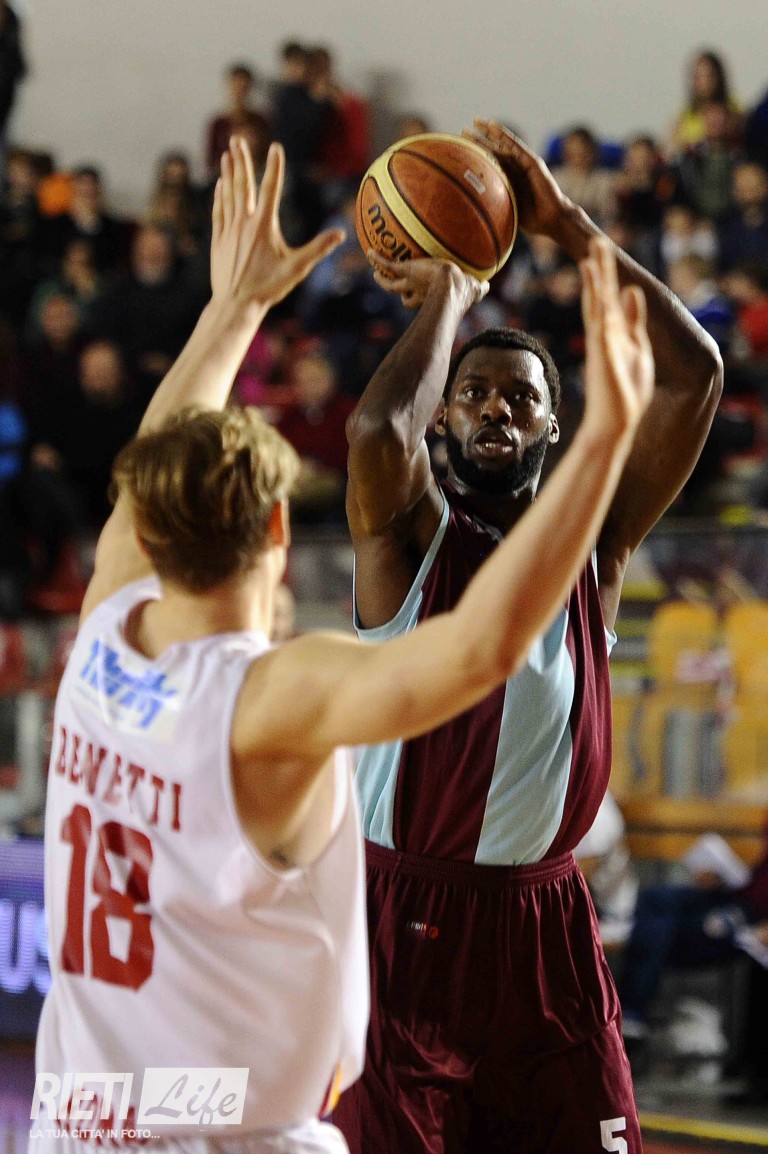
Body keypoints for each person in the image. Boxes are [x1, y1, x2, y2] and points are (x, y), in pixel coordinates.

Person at [30, 136, 654, 1154]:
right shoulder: (269, 696)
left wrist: (232, 309)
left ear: (144, 529)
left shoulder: (102, 640)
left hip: (85, 1110)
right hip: (226, 1128)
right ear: (280, 531)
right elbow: (480, 649)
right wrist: (605, 439)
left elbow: (149, 469)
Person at [333, 119, 723, 1154]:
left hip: (546, 929)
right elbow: (375, 431)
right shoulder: (408, 542)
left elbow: (694, 376)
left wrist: (570, 225)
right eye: (472, 394)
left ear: (555, 426)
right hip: (404, 919)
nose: (496, 409)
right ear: (444, 419)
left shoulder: (594, 549)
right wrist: (454, 290)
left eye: (521, 396)